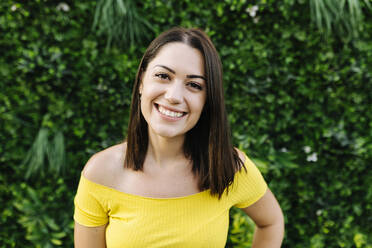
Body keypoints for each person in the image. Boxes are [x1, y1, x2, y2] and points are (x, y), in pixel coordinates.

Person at [73, 27, 284, 247]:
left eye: (194, 85)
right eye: (163, 76)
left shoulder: (227, 166)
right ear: (142, 81)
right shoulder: (100, 172)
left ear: (207, 100)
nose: (173, 96)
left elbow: (271, 222)